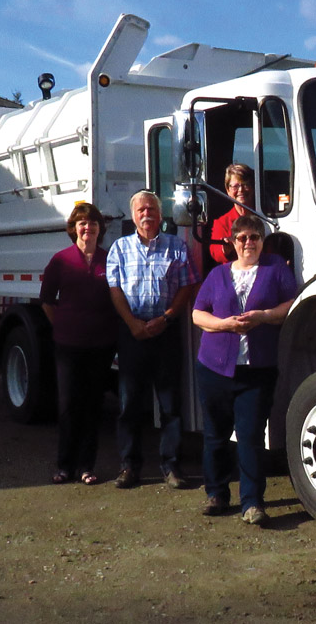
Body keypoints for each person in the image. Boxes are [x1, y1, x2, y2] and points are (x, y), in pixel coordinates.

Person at [192, 214, 297, 525]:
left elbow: (291, 304)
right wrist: (224, 324)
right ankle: (217, 494)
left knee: (250, 436)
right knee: (216, 434)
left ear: (262, 241)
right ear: (232, 243)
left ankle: (252, 503)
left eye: (255, 237)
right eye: (243, 238)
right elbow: (198, 314)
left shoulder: (275, 268)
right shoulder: (217, 275)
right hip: (213, 369)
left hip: (257, 370)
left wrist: (263, 316)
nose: (249, 243)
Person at [106, 190, 200, 490]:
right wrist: (132, 324)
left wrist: (167, 318)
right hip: (131, 333)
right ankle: (129, 467)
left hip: (166, 332)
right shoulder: (119, 249)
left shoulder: (177, 247)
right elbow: (115, 290)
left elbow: (187, 287)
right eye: (141, 210)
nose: (147, 214)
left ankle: (171, 467)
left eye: (152, 210)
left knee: (171, 404)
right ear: (133, 216)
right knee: (130, 404)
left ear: (161, 216)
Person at [40, 202, 118, 486]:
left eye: (93, 223)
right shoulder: (61, 260)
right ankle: (64, 466)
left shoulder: (109, 259)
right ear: (74, 229)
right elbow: (47, 299)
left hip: (101, 345)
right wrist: (60, 324)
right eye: (82, 223)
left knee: (92, 405)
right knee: (68, 406)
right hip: (68, 346)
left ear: (100, 228)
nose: (88, 227)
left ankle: (87, 466)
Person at [209, 163, 255, 264]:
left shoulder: (266, 216)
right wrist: (225, 248)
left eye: (246, 184)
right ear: (228, 191)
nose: (241, 190)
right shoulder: (222, 223)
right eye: (235, 186)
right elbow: (215, 253)